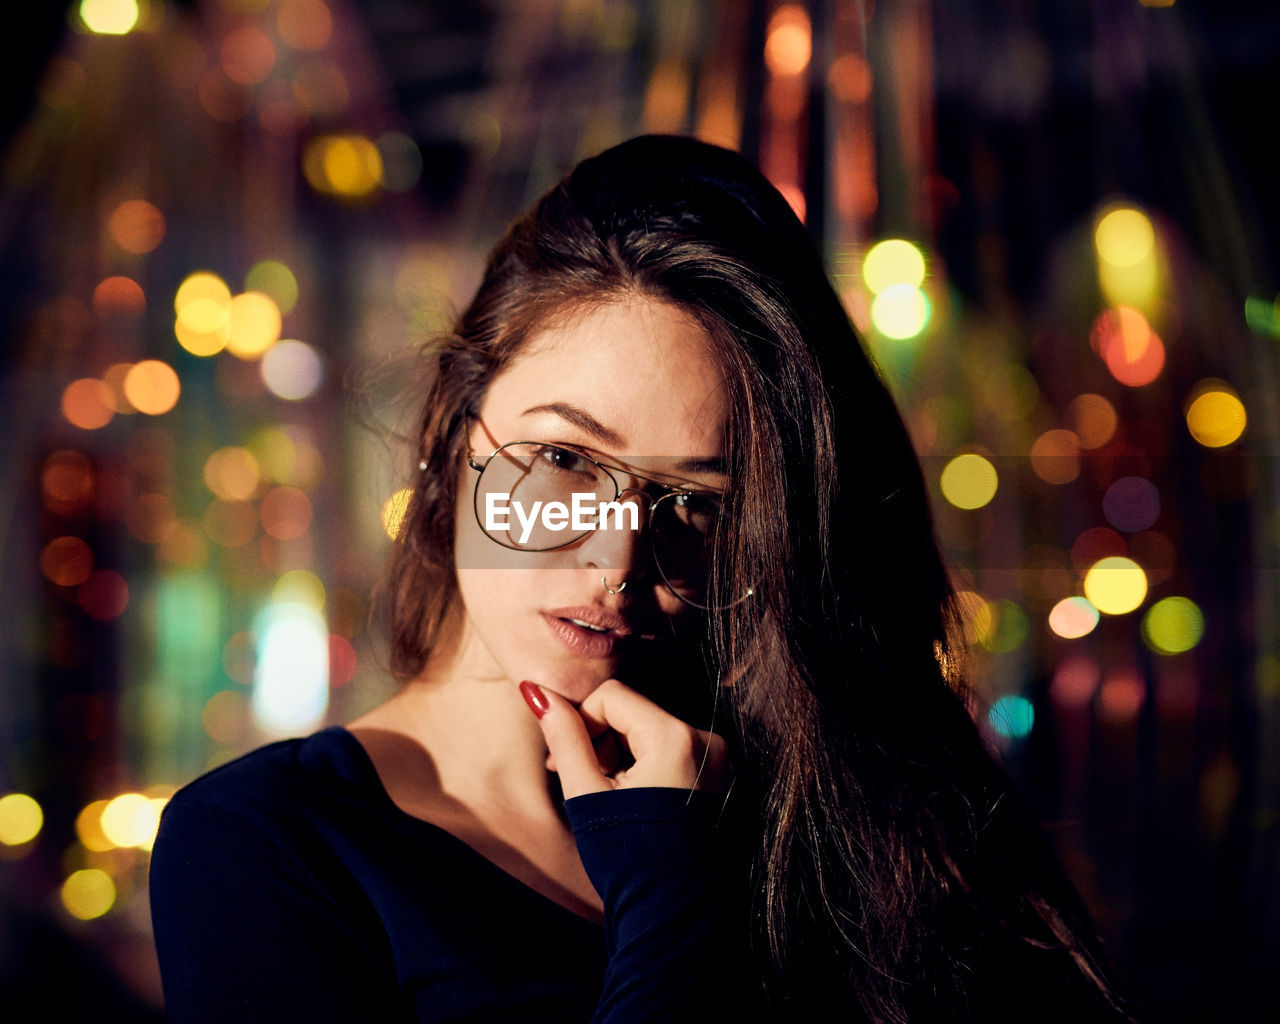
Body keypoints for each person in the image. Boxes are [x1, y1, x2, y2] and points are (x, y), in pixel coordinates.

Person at [149, 135, 1132, 1022]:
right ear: (454, 439)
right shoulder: (269, 846)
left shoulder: (813, 792)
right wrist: (667, 914)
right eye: (566, 459)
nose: (614, 562)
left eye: (694, 502)